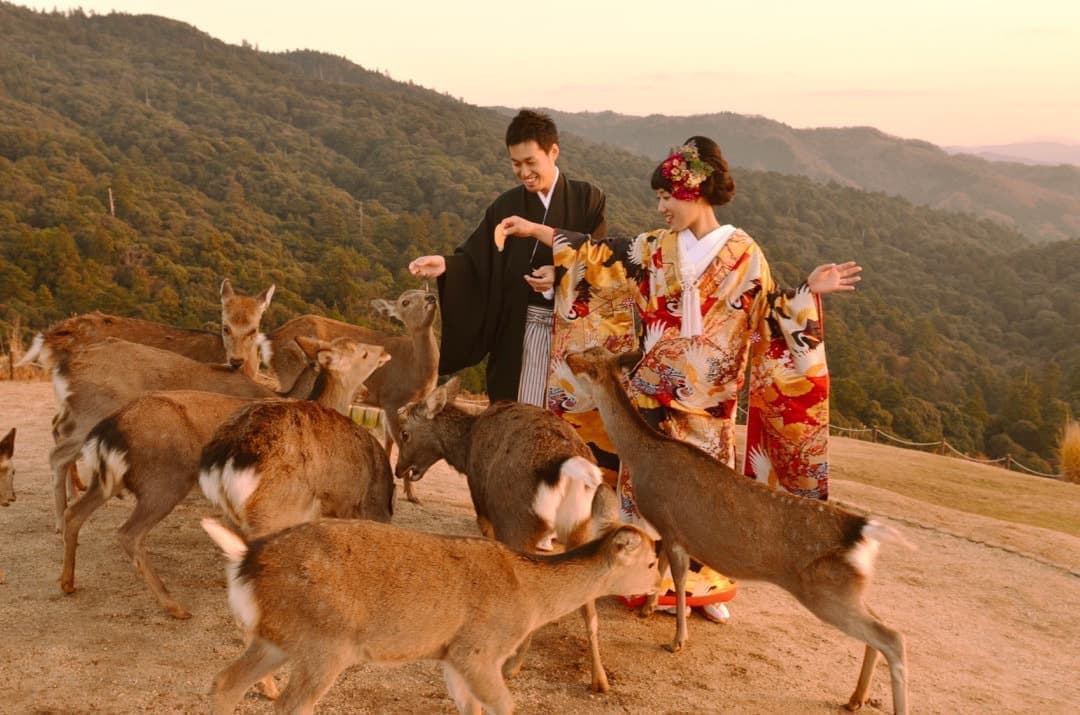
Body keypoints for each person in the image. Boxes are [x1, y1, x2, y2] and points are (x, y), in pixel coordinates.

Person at [500, 136, 860, 621]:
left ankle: (701, 587)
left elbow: (769, 316)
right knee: (644, 493)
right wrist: (535, 231)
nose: (661, 206)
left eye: (667, 196)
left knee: (706, 502)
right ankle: (638, 578)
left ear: (695, 192)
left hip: (707, 407)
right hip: (648, 401)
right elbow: (597, 256)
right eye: (659, 198)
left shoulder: (745, 255)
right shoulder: (653, 247)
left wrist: (807, 292)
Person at [408, 109, 606, 405]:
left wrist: (561, 273)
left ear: (553, 152)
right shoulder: (507, 204)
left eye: (530, 162)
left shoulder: (586, 198)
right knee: (513, 419)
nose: (524, 172)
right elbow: (478, 259)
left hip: (568, 337)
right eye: (515, 164)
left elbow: (600, 257)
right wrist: (447, 265)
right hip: (515, 335)